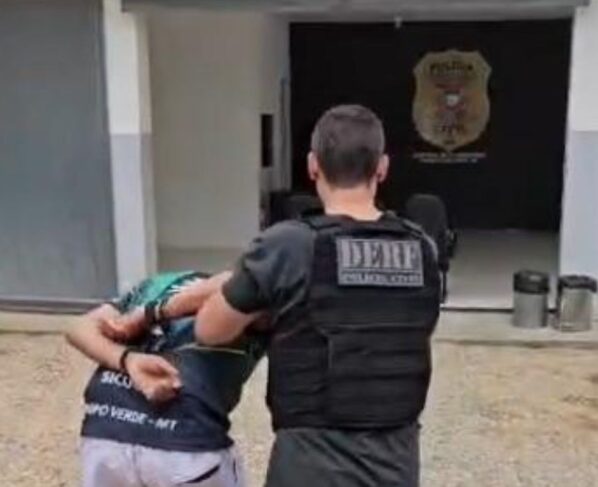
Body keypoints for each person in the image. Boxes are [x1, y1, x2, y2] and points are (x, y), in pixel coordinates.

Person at [126, 104, 441, 486]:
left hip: (309, 466)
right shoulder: (422, 249)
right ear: (383, 167)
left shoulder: (286, 246)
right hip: (396, 467)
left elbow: (210, 330)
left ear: (313, 165)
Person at [66, 271, 266, 487]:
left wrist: (126, 358)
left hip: (105, 433)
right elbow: (251, 281)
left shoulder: (156, 283)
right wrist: (151, 315)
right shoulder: (259, 291)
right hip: (185, 442)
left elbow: (78, 327)